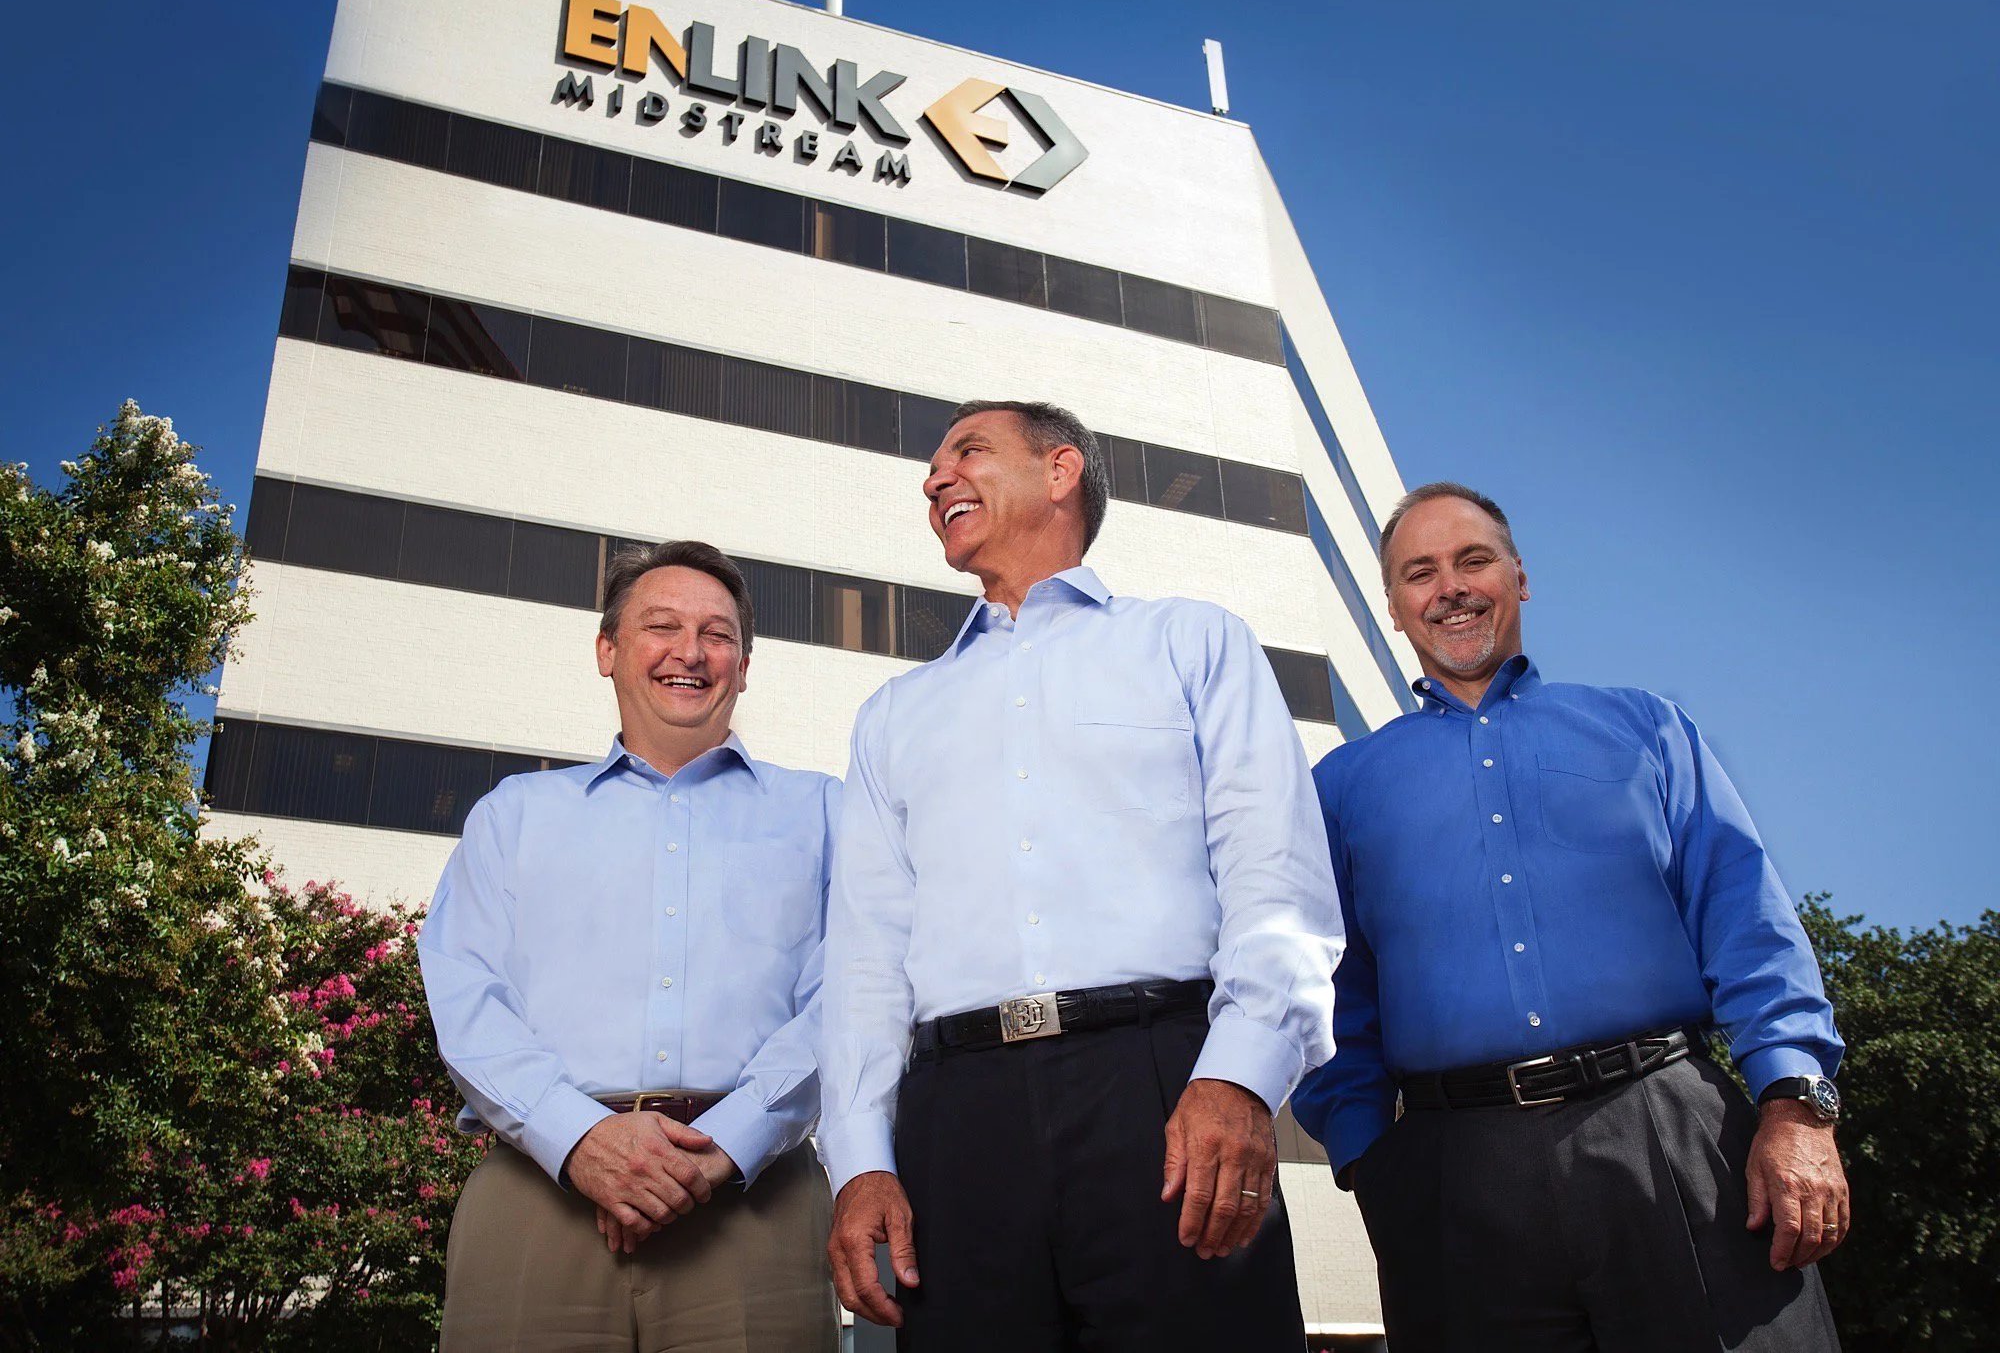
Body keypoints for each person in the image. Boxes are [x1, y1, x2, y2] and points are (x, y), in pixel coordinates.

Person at [817, 400, 1344, 1352]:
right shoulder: (893, 715)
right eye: (931, 468)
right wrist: (858, 1159)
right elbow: (864, 957)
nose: (935, 478)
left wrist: (1240, 1077)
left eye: (966, 451)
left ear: (1062, 471)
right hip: (957, 1119)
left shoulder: (1194, 642)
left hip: (1163, 1087)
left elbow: (1277, 878)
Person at [1291, 482, 1847, 1351]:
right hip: (1450, 1173)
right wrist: (1372, 1159)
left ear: (1520, 577)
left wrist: (1797, 1105)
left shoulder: (1646, 731)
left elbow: (1747, 919)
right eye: (1420, 572)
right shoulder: (1340, 789)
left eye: (1474, 560)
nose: (1451, 587)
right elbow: (1328, 989)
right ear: (1395, 609)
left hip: (1668, 1125)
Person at [418, 540, 840, 1352]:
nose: (690, 651)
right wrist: (579, 1138)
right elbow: (465, 993)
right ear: (607, 650)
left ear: (745, 665)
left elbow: (848, 998)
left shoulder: (827, 813)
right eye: (662, 626)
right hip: (537, 1195)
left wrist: (726, 1142)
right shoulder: (515, 814)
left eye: (717, 634)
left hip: (753, 1202)